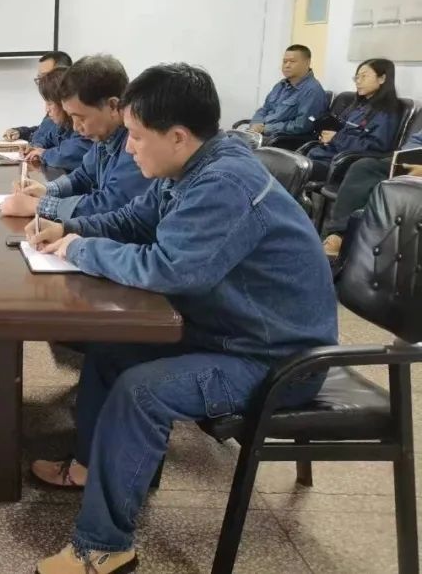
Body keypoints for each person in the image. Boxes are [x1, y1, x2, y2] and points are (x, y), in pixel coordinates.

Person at [24, 63, 337, 574]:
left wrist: (81, 249)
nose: (128, 147)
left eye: (136, 136)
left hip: (276, 359)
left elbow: (169, 270)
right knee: (111, 351)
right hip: (230, 331)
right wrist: (70, 228)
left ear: (176, 135)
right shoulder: (193, 166)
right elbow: (134, 219)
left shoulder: (223, 184)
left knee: (142, 390)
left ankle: (104, 547)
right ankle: (94, 469)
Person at [0, 55, 151, 220]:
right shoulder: (104, 136)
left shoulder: (136, 145)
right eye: (71, 117)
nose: (75, 127)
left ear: (113, 106)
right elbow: (83, 177)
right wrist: (46, 189)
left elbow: (109, 204)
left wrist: (38, 205)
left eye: (81, 118)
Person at [321, 127, 422, 257]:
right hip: (415, 163)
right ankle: (340, 234)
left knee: (390, 190)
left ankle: (361, 241)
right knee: (363, 167)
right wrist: (412, 158)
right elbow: (416, 141)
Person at [306, 59, 399, 181]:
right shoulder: (357, 105)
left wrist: (336, 138)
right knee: (287, 163)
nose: (358, 81)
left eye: (364, 76)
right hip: (324, 154)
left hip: (340, 163)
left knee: (291, 170)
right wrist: (327, 135)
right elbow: (341, 129)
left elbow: (375, 147)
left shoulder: (386, 112)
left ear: (382, 79)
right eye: (357, 77)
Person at [3, 52, 91, 171]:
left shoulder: (84, 127)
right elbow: (45, 134)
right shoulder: (60, 123)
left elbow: (71, 154)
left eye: (49, 103)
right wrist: (35, 147)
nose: (47, 109)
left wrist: (43, 153)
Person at [248, 44, 327, 138]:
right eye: (285, 61)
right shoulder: (280, 85)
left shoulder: (312, 90)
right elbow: (264, 109)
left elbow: (302, 125)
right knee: (233, 139)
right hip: (260, 134)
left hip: (281, 139)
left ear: (307, 63)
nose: (287, 65)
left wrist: (266, 129)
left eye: (292, 61)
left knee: (235, 145)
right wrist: (256, 124)